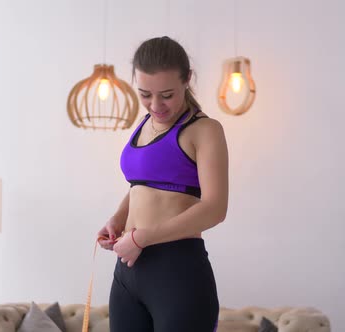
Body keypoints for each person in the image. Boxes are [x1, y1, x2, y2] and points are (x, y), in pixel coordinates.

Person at [96, 36, 229, 332]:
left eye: (167, 95)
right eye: (145, 94)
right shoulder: (144, 124)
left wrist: (142, 237)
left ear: (187, 80)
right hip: (128, 273)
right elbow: (142, 186)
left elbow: (215, 209)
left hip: (178, 273)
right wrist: (118, 220)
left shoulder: (204, 130)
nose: (156, 105)